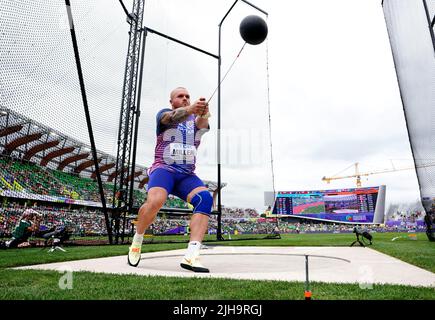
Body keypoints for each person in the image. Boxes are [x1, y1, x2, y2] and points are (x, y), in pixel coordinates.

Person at [128, 87, 213, 272]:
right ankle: (137, 239)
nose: (184, 98)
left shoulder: (194, 120)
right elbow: (171, 118)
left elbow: (202, 124)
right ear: (171, 102)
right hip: (164, 169)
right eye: (180, 96)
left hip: (186, 175)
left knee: (205, 199)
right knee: (156, 201)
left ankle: (192, 256)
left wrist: (204, 112)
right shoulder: (164, 114)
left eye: (187, 96)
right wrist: (191, 109)